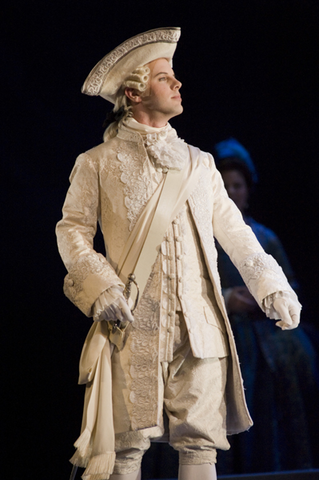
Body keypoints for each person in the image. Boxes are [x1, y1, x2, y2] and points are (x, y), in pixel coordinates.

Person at [56, 28, 301, 480]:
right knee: (124, 448)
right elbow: (72, 231)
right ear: (133, 92)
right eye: (166, 76)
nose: (178, 84)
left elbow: (236, 232)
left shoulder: (199, 163)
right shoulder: (97, 162)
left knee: (201, 444)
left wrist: (272, 285)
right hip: (130, 325)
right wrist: (101, 287)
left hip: (201, 326)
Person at [214, 138, 319, 474]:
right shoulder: (202, 238)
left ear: (248, 189)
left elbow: (291, 286)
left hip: (267, 335)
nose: (232, 192)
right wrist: (229, 296)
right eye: (225, 185)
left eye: (238, 185)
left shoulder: (264, 237)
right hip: (224, 332)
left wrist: (269, 297)